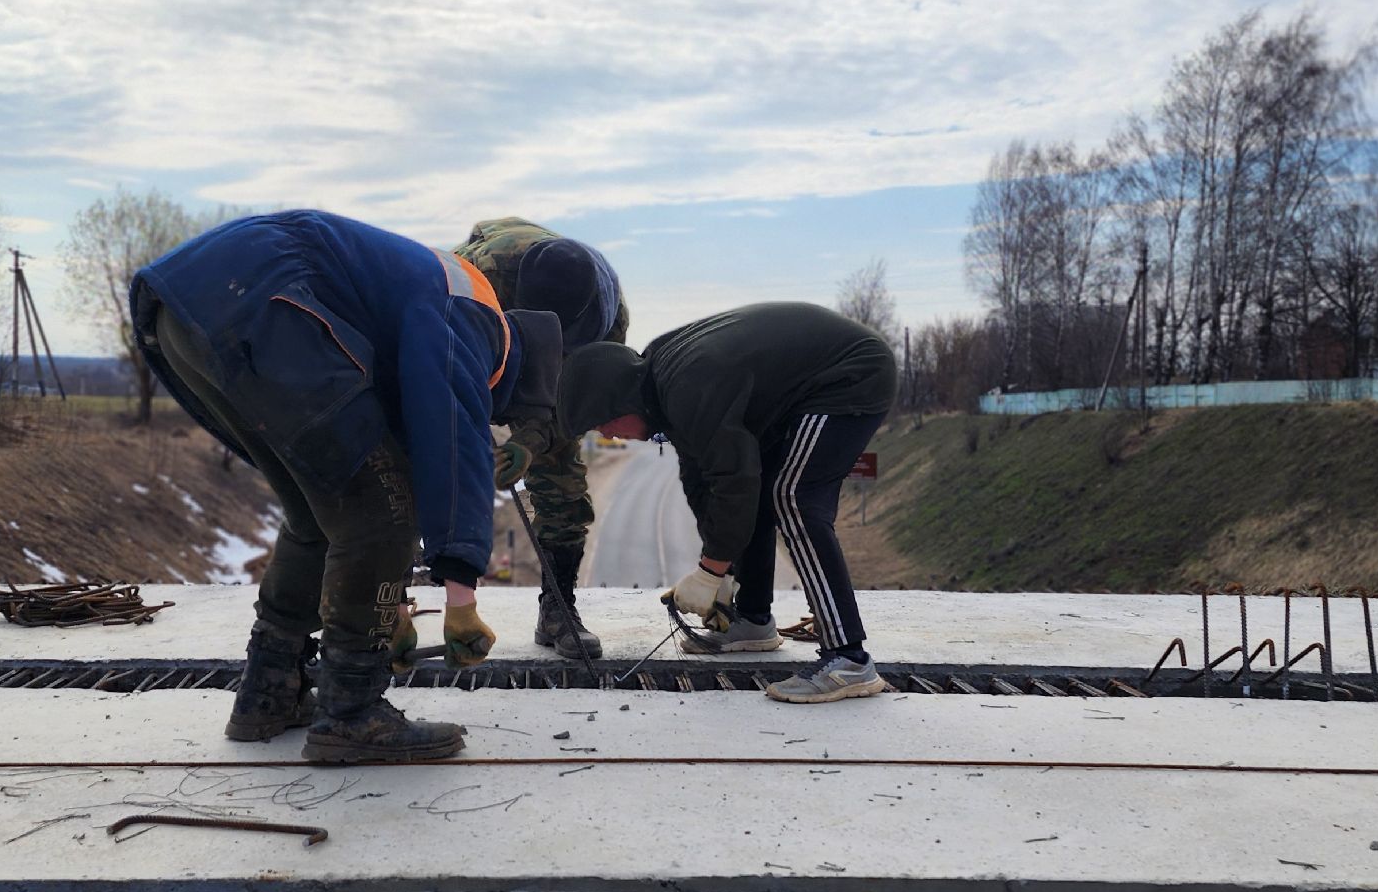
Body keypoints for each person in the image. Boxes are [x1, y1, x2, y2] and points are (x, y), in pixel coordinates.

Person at [130, 210, 564, 761]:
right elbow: (453, 443)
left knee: (321, 512)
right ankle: (352, 712)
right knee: (380, 517)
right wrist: (461, 599)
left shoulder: (428, 304)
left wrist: (392, 613)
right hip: (263, 298)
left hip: (190, 302)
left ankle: (270, 692)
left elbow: (386, 459)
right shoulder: (479, 321)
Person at [557, 303, 898, 703]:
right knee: (759, 493)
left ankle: (849, 660)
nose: (607, 436)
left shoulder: (689, 386)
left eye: (603, 423)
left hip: (850, 377)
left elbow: (736, 482)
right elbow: (703, 481)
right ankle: (753, 621)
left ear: (619, 402)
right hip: (799, 393)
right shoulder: (662, 387)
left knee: (793, 498)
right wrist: (722, 571)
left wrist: (710, 572)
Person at [454, 217, 626, 659]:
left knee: (564, 483)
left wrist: (530, 442)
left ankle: (558, 610)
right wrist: (471, 428)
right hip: (485, 343)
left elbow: (574, 403)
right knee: (424, 466)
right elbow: (443, 365)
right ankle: (387, 609)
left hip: (544, 372)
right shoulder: (475, 279)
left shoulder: (609, 321)